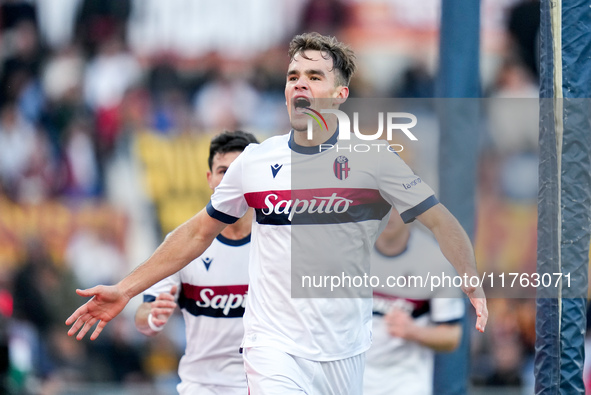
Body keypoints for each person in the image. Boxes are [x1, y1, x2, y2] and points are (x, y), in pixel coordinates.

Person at [66, 32, 487, 395]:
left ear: (340, 95)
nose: (299, 85)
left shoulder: (375, 160)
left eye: (314, 76)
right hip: (273, 345)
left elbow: (439, 220)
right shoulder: (255, 161)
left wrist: (470, 279)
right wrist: (125, 289)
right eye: (292, 77)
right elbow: (196, 232)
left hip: (346, 350)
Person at [135, 130, 257, 395]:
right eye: (223, 170)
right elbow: (143, 317)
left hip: (263, 384)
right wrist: (153, 317)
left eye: (239, 170)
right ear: (210, 179)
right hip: (202, 387)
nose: (231, 178)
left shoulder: (280, 241)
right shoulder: (181, 244)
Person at [364, 211, 464, 395]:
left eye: (395, 205)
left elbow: (452, 336)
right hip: (352, 378)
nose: (388, 213)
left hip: (406, 382)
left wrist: (413, 331)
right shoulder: (351, 252)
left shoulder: (435, 261)